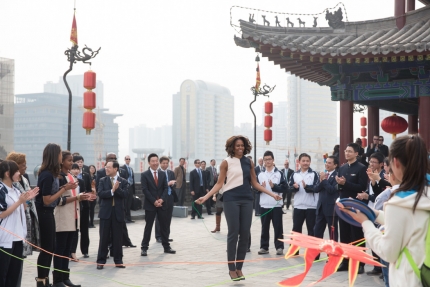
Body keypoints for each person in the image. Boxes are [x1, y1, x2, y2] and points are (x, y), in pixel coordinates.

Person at [339, 135, 430, 287]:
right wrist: (373, 214)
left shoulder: (398, 203)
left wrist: (366, 224)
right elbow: (410, 221)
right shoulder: (423, 193)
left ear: (395, 162)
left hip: (409, 279)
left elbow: (388, 252)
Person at [195, 135, 282, 281]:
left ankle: (239, 268)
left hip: (247, 200)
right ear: (232, 147)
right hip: (231, 200)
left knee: (244, 234)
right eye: (237, 146)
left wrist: (272, 194)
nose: (240, 148)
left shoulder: (249, 162)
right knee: (233, 233)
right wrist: (206, 197)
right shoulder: (225, 163)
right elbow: (219, 184)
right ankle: (231, 268)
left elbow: (255, 183)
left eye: (242, 145)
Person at [35, 143, 77, 287]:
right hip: (44, 213)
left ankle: (46, 280)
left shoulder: (52, 174)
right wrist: (64, 188)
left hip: (49, 213)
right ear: (55, 155)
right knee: (47, 248)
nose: (61, 156)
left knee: (51, 248)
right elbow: (46, 200)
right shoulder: (47, 175)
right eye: (60, 153)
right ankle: (42, 280)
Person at [54, 153, 92, 286]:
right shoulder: (58, 177)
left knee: (67, 249)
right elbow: (57, 200)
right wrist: (77, 198)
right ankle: (57, 279)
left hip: (73, 217)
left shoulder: (71, 176)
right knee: (60, 249)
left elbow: (74, 196)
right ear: (61, 161)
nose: (71, 163)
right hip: (63, 218)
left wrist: (81, 196)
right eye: (69, 160)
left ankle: (65, 277)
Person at [0, 160, 38, 287]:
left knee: (15, 274)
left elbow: (22, 209)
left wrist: (26, 201)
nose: (19, 173)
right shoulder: (1, 190)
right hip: (5, 238)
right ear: (7, 173)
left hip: (18, 236)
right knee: (3, 273)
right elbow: (1, 214)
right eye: (16, 171)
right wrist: (19, 202)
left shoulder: (16, 189)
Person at [335, 142, 368, 274]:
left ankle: (360, 263)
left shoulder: (361, 168)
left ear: (356, 153)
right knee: (344, 234)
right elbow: (340, 187)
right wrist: (340, 185)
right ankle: (345, 261)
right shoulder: (342, 168)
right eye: (346, 151)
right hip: (343, 205)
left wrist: (345, 183)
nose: (347, 153)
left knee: (357, 234)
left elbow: (361, 187)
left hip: (356, 206)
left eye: (350, 151)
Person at [6, 152, 40, 257]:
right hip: (15, 219)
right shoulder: (8, 183)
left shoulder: (24, 178)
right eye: (23, 165)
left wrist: (29, 199)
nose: (26, 167)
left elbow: (28, 198)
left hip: (27, 216)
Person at [96, 160, 128, 269]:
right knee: (104, 237)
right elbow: (100, 193)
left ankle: (118, 260)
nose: (106, 169)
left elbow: (125, 194)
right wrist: (112, 191)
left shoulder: (122, 181)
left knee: (118, 238)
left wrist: (117, 189)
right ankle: (101, 261)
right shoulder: (102, 180)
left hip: (118, 213)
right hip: (105, 213)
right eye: (106, 167)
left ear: (115, 169)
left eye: (109, 167)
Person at [256, 151, 287, 256]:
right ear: (263, 161)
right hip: (264, 205)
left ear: (273, 160)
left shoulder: (279, 174)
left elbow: (285, 188)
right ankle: (264, 247)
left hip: (276, 205)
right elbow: (255, 190)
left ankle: (279, 247)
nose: (267, 161)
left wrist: (274, 187)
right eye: (265, 160)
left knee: (278, 227)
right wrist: (261, 188)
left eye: (269, 159)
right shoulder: (260, 175)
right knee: (264, 227)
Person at [289, 153, 320, 241]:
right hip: (298, 206)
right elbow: (289, 188)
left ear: (310, 162)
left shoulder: (314, 174)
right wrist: (294, 188)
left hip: (311, 207)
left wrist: (307, 187)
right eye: (303, 161)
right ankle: (294, 252)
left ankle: (312, 253)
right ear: (299, 162)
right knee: (296, 230)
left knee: (312, 231)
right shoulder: (294, 174)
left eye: (307, 161)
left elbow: (317, 188)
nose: (305, 163)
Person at [313, 155, 339, 241]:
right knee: (317, 233)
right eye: (326, 162)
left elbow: (332, 190)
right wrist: (322, 180)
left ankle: (332, 254)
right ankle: (315, 254)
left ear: (335, 165)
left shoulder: (337, 176)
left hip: (331, 210)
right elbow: (316, 189)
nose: (327, 164)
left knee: (332, 235)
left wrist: (324, 180)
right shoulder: (323, 175)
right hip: (320, 208)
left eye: (329, 163)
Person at [72, 155, 92, 260]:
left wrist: (88, 195)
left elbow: (89, 189)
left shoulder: (85, 176)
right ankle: (72, 251)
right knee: (74, 230)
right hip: (73, 206)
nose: (80, 164)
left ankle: (85, 250)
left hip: (84, 206)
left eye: (81, 162)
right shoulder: (68, 178)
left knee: (84, 229)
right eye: (77, 163)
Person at [154, 156, 176, 243]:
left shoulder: (171, 172)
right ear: (160, 163)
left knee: (168, 217)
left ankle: (166, 235)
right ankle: (158, 236)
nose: (165, 165)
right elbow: (157, 186)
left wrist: (173, 184)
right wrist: (168, 183)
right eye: (163, 163)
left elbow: (174, 184)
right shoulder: (157, 173)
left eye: (167, 163)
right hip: (161, 198)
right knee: (159, 218)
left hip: (170, 196)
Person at [122, 155, 135, 223]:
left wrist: (133, 189)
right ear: (125, 160)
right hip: (125, 187)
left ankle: (129, 218)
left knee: (129, 203)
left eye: (129, 159)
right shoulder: (122, 168)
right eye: (127, 159)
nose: (128, 160)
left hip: (131, 187)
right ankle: (124, 218)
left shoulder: (131, 168)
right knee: (125, 203)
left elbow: (133, 179)